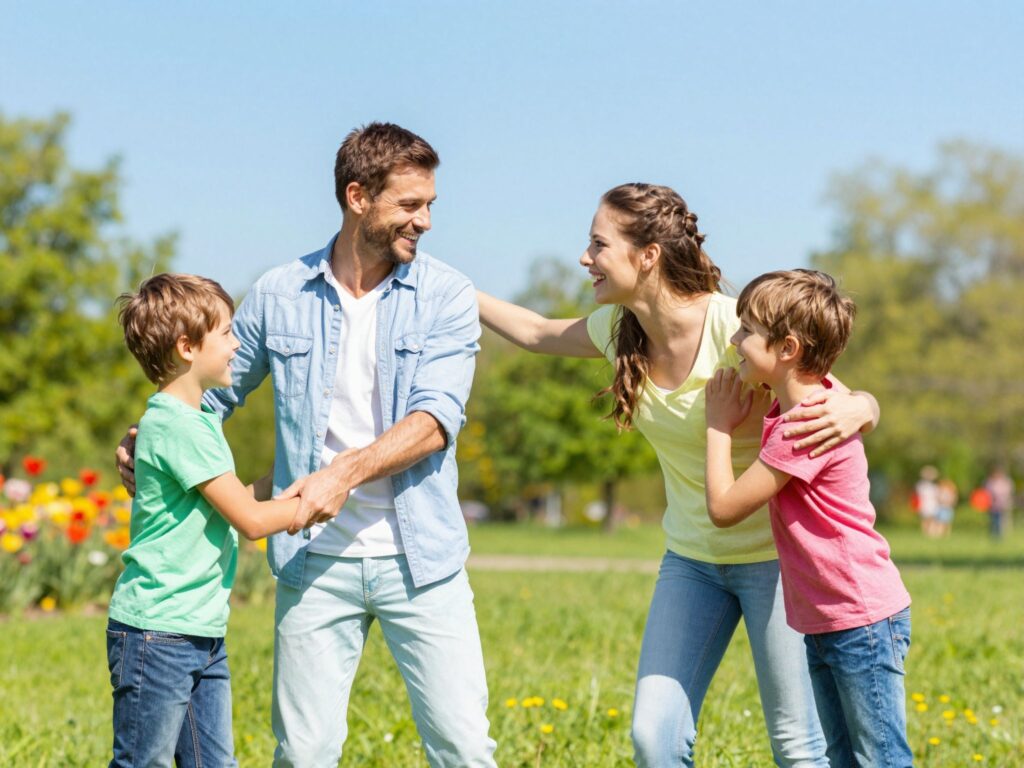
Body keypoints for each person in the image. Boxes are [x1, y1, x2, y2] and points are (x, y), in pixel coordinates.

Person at [117, 123, 496, 767]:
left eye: (431, 204)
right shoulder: (277, 294)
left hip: (421, 559)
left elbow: (436, 419)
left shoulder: (447, 295)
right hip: (314, 560)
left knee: (462, 747)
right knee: (304, 753)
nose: (425, 220)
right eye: (410, 205)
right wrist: (146, 436)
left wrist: (341, 474)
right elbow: (207, 392)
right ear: (357, 197)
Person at [477, 183, 879, 767]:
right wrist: (453, 289)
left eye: (597, 244)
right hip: (691, 561)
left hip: (775, 562)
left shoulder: (731, 328)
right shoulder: (619, 332)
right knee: (654, 737)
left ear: (648, 255)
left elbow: (820, 383)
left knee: (798, 746)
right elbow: (537, 332)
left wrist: (865, 405)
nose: (585, 258)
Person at [108, 273, 322, 768]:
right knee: (144, 762)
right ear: (187, 346)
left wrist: (283, 479)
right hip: (156, 633)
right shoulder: (175, 425)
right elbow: (249, 521)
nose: (236, 344)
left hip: (198, 630)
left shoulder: (194, 422)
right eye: (226, 333)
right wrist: (319, 499)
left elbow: (226, 504)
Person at [703, 269, 912, 768]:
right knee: (844, 756)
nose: (734, 341)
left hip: (858, 617)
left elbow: (724, 509)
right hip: (828, 619)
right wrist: (867, 403)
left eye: (746, 331)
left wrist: (717, 426)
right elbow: (859, 400)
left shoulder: (804, 425)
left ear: (788, 347)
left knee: (879, 759)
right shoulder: (824, 397)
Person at [985, 465, 1015, 539]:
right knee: (993, 520)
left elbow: (1008, 491)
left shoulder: (1005, 482)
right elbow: (986, 492)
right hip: (992, 505)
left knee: (1000, 520)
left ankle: (999, 535)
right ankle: (994, 535)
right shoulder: (990, 482)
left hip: (1002, 504)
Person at [915, 466, 940, 537]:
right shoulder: (921, 485)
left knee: (931, 518)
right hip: (924, 504)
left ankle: (931, 532)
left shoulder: (933, 486)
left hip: (932, 504)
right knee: (925, 519)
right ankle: (925, 532)